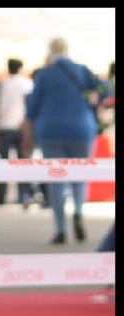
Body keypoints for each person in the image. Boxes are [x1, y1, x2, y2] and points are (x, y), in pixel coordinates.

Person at [23, 37, 108, 245]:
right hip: (81, 128)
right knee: (80, 175)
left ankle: (60, 228)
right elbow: (106, 88)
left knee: (56, 179)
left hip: (50, 130)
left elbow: (32, 109)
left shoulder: (44, 74)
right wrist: (96, 101)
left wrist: (27, 138)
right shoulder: (81, 70)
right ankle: (78, 211)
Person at [0, 58, 35, 207]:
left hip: (4, 126)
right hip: (21, 127)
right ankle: (24, 195)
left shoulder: (1, 84)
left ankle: (0, 197)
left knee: (3, 164)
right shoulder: (27, 84)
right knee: (22, 163)